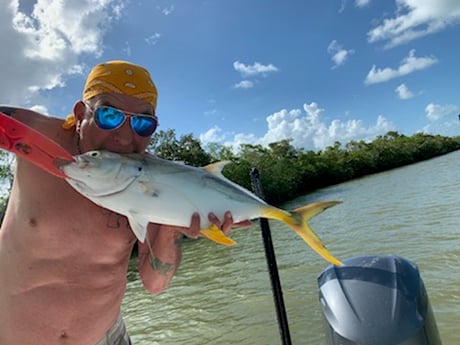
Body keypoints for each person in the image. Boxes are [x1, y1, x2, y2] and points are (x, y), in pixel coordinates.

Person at [0, 60, 249, 345]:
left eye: (143, 124)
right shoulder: (36, 135)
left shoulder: (159, 183)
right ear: (81, 113)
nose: (123, 137)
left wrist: (173, 225)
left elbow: (154, 284)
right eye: (109, 116)